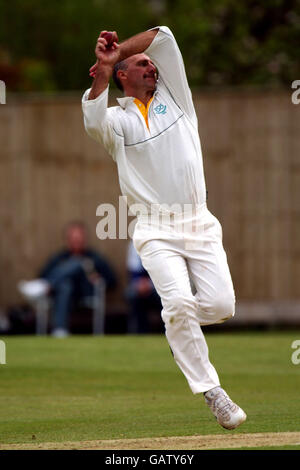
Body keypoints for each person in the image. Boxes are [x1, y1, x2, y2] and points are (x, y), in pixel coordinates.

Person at [82, 27, 246, 430]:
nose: (150, 65)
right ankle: (214, 393)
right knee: (176, 306)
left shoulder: (176, 96)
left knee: (221, 307)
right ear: (123, 76)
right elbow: (92, 112)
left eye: (149, 61)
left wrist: (121, 49)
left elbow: (165, 35)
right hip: (155, 231)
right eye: (140, 64)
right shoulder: (115, 124)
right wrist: (104, 66)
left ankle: (179, 333)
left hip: (199, 221)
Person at [18, 221, 117, 337]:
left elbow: (112, 280)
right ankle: (60, 331)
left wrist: (97, 277)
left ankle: (44, 286)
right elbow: (43, 274)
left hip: (85, 291)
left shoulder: (95, 258)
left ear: (84, 239)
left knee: (80, 263)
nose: (76, 241)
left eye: (79, 238)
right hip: (64, 292)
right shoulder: (59, 258)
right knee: (65, 285)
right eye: (74, 238)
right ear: (68, 240)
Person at [126, 240, 162, 334]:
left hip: (161, 287)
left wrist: (150, 285)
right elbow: (134, 272)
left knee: (169, 297)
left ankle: (169, 333)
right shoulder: (135, 242)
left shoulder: (164, 241)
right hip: (140, 287)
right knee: (133, 296)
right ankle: (138, 334)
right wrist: (140, 284)